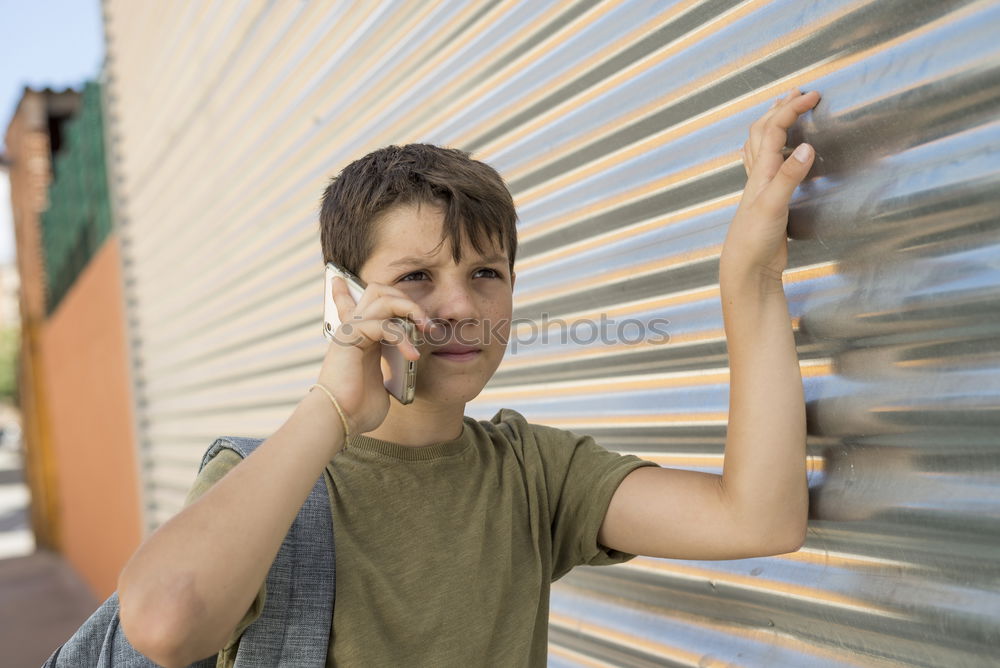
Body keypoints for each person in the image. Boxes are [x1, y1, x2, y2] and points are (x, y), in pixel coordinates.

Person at [116, 89, 820, 667]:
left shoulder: (534, 473)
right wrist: (332, 403)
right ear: (344, 300)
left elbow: (759, 517)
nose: (460, 306)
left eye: (486, 274)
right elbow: (165, 624)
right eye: (416, 276)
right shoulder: (268, 482)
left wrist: (750, 278)